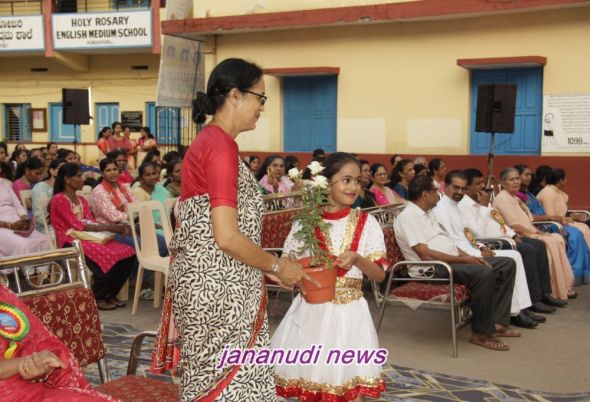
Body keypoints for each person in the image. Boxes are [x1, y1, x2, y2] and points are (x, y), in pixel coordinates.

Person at [152, 58, 308, 401]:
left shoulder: (214, 142)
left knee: (226, 386)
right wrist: (277, 265)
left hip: (220, 284)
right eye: (260, 98)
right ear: (235, 95)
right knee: (226, 389)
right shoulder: (219, 145)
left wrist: (268, 269)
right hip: (219, 291)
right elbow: (226, 236)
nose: (262, 107)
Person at [273, 152, 387, 401]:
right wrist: (293, 272)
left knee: (348, 386)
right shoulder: (305, 223)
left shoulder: (367, 222)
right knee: (311, 382)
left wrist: (357, 259)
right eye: (346, 180)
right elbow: (289, 267)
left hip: (350, 316)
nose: (353, 187)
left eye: (357, 181)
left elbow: (379, 275)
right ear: (325, 184)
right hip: (311, 313)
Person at [394, 175, 517, 351]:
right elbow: (425, 254)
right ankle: (481, 333)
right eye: (435, 191)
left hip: (449, 261)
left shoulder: (428, 214)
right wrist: (464, 260)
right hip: (432, 269)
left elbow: (450, 243)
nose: (439, 194)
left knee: (506, 264)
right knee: (483, 273)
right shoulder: (409, 217)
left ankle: (497, 322)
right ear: (425, 194)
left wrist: (470, 257)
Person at [432, 171, 535, 328]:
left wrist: (481, 246)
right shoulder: (441, 209)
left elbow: (467, 235)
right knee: (510, 259)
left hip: (472, 248)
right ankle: (513, 313)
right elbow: (451, 242)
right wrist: (477, 252)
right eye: (456, 188)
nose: (460, 192)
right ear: (445, 186)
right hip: (463, 255)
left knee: (514, 254)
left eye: (463, 189)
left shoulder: (455, 206)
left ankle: (519, 309)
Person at [459, 168, 566, 316]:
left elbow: (500, 222)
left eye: (482, 182)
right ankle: (533, 299)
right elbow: (476, 233)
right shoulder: (464, 206)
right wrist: (483, 207)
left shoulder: (483, 201)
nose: (483, 186)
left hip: (507, 237)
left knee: (539, 245)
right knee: (528, 250)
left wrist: (513, 234)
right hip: (493, 242)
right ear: (467, 187)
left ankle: (543, 293)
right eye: (478, 183)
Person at [0, 285, 117, 401]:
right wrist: (26, 363)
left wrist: (42, 366)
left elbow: (37, 341)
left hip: (28, 390)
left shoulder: (4, 295)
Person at [50, 163, 136, 310]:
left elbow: (89, 221)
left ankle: (110, 293)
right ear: (67, 179)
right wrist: (107, 227)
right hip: (70, 240)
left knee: (128, 252)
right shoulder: (59, 199)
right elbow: (76, 224)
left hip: (86, 236)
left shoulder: (82, 200)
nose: (82, 179)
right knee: (107, 254)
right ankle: (98, 296)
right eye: (78, 176)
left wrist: (112, 228)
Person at [493, 168, 576, 300]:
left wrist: (540, 232)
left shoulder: (516, 198)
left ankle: (562, 286)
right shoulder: (502, 199)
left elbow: (529, 220)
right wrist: (537, 234)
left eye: (517, 178)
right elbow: (515, 227)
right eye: (511, 179)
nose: (516, 182)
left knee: (557, 238)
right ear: (503, 183)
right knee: (549, 241)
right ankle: (552, 290)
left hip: (530, 231)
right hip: (518, 235)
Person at [516, 164, 590, 284]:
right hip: (540, 225)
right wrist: (552, 217)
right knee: (574, 234)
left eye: (530, 174)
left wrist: (566, 217)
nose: (530, 177)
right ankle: (570, 276)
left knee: (584, 228)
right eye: (526, 175)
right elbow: (532, 216)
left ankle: (583, 273)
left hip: (546, 222)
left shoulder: (528, 194)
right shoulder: (533, 194)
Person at [0, 180, 50, 257]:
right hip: (2, 228)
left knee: (45, 240)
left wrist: (24, 218)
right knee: (25, 245)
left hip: (17, 223)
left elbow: (18, 205)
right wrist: (10, 225)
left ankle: (45, 265)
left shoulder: (4, 184)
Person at [32, 159, 64, 234]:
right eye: (61, 169)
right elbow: (40, 218)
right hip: (47, 228)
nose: (66, 172)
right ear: (52, 171)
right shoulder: (41, 187)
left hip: (66, 225)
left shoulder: (66, 188)